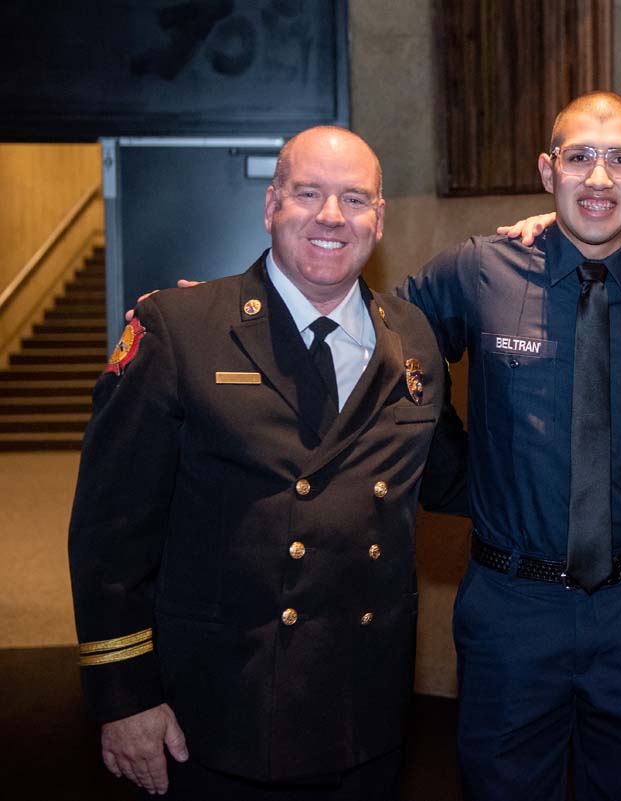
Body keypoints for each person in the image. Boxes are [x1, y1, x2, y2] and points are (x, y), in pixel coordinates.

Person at [68, 126, 467, 799]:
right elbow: (110, 531)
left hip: (362, 717)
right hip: (222, 716)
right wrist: (124, 697)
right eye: (308, 193)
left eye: (354, 198)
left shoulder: (414, 337)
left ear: (379, 217)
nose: (331, 216)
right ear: (271, 205)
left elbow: (455, 479)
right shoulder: (181, 327)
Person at [401, 91, 621, 801]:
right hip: (512, 606)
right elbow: (386, 347)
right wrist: (457, 475)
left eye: (619, 160)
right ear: (548, 171)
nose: (599, 179)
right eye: (579, 157)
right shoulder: (479, 271)